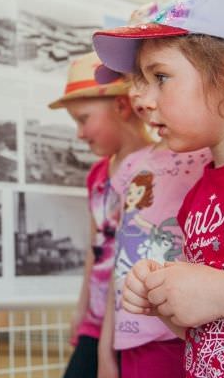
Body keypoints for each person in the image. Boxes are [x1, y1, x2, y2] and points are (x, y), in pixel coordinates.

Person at [92, 0, 224, 378]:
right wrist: (170, 299)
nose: (145, 97)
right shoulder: (198, 196)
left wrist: (221, 292)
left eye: (160, 77)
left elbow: (223, 299)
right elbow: (211, 332)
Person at [95, 73, 210, 378]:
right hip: (131, 335)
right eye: (134, 80)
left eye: (156, 77)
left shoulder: (207, 154)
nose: (139, 94)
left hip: (182, 332)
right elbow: (120, 257)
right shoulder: (133, 165)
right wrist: (105, 347)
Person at [49, 51, 151, 378]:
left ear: (121, 107)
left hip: (136, 322)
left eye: (83, 119)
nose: (79, 133)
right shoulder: (95, 176)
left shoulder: (155, 168)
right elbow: (96, 248)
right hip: (96, 324)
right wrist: (81, 309)